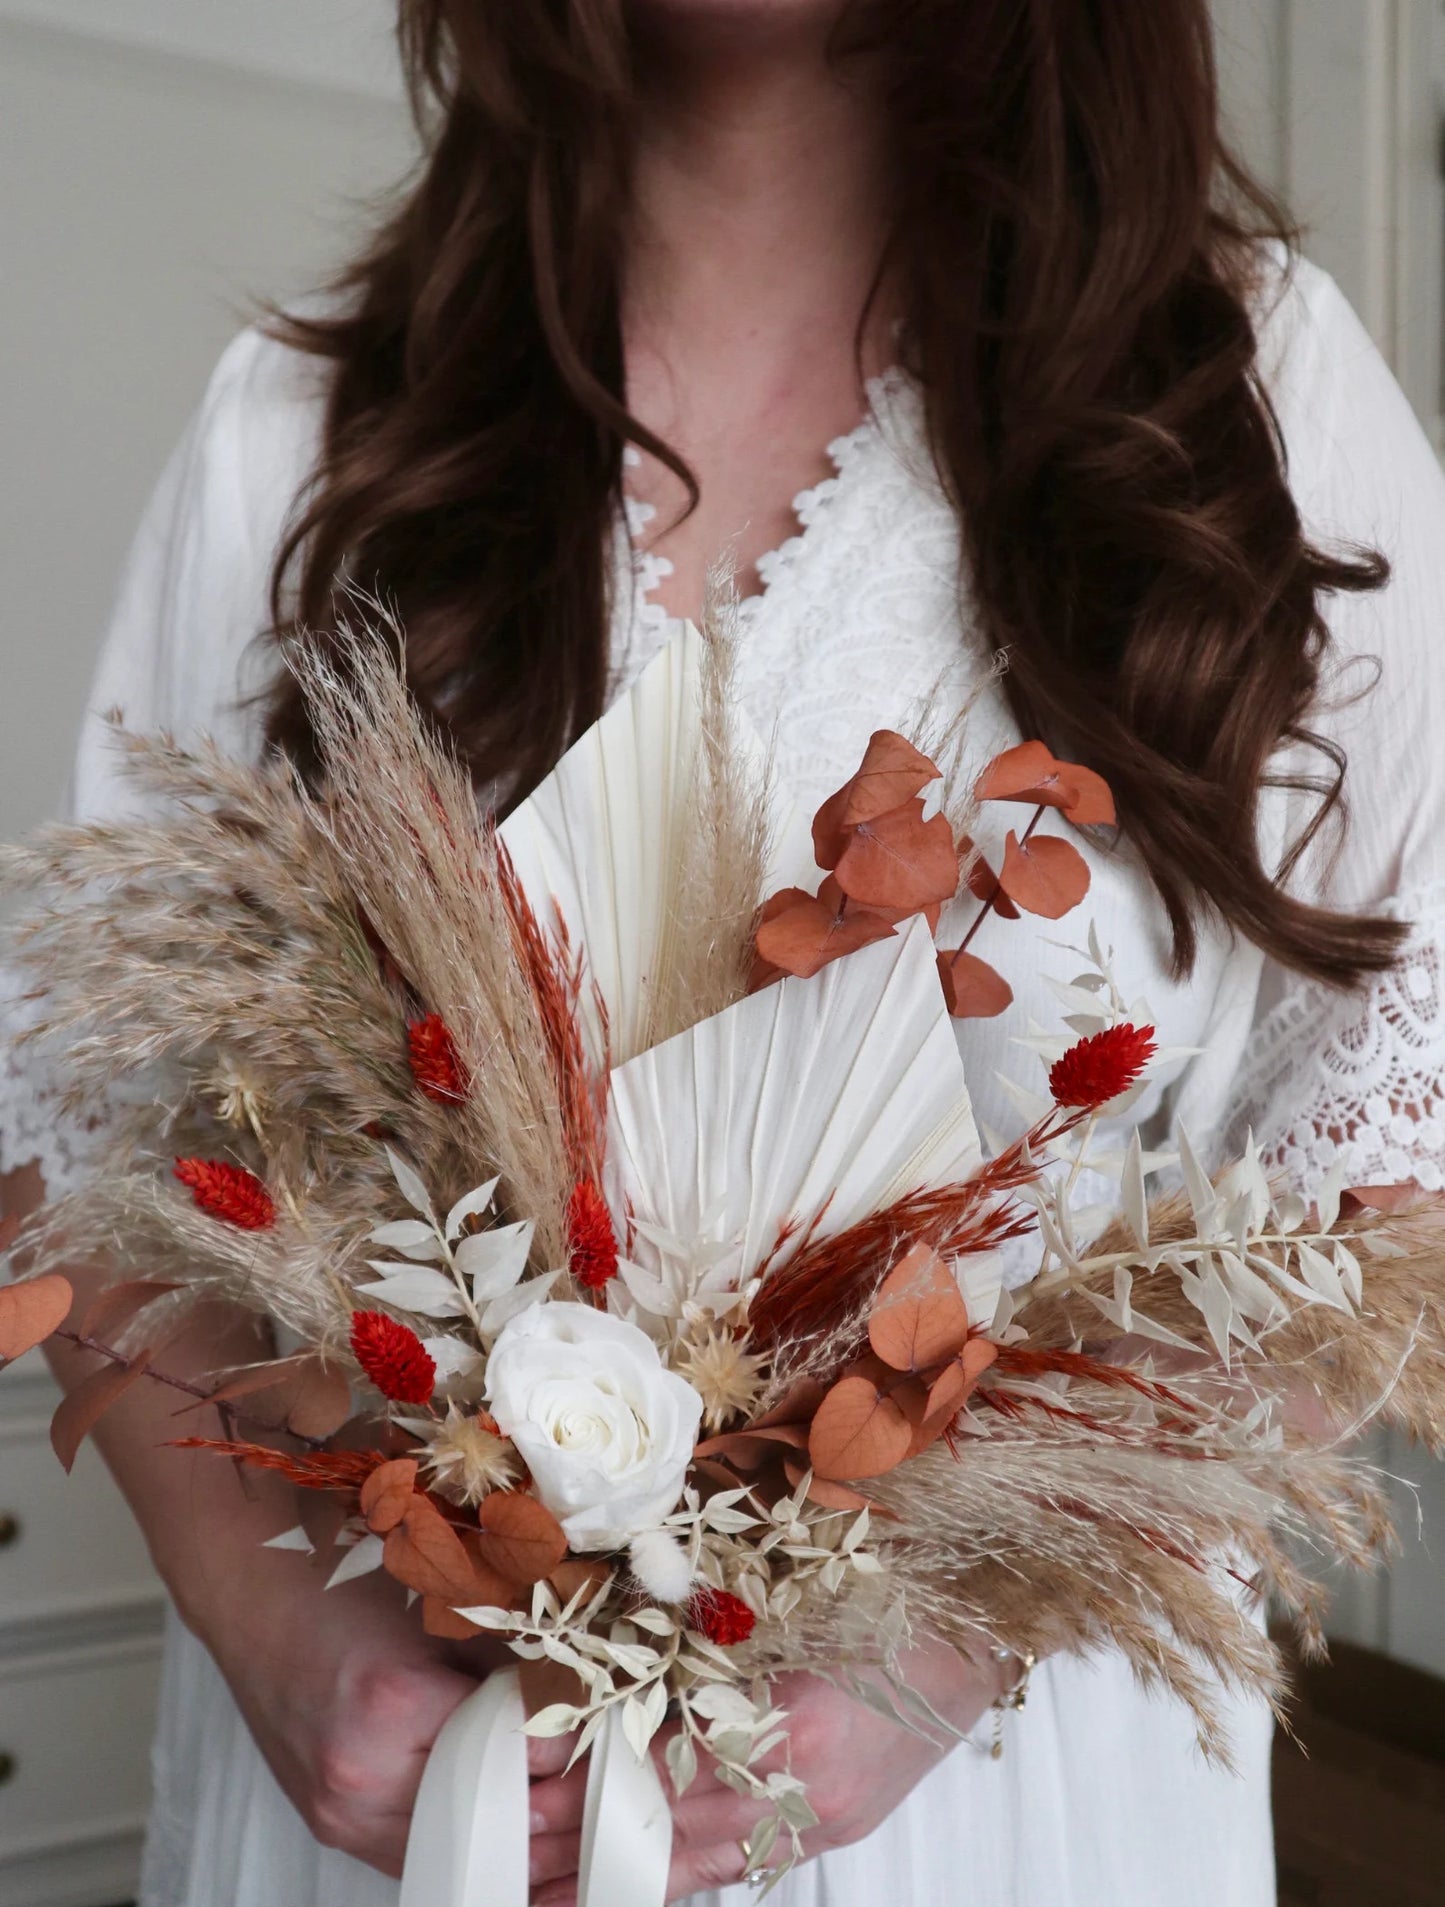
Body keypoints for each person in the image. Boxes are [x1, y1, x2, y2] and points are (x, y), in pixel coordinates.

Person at [4, 3, 1445, 1903]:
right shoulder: (300, 429)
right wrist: (269, 1625)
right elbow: (86, 1137)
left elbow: (1382, 1166)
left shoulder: (1252, 403)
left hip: (1000, 1814)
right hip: (399, 1801)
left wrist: (965, 1634)